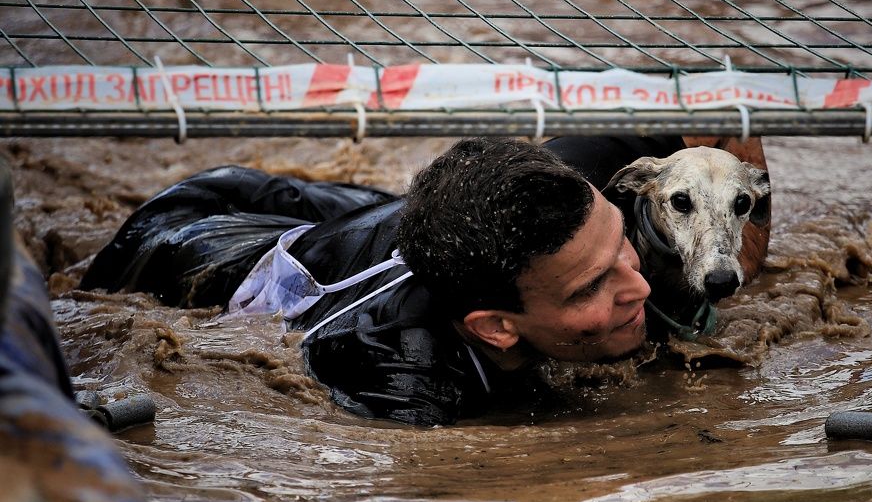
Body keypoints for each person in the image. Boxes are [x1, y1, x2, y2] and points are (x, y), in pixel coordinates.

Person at [81, 135, 700, 426]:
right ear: (497, 329)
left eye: (620, 244)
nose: (638, 286)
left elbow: (717, 120)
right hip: (190, 236)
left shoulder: (583, 178)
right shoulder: (400, 366)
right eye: (590, 288)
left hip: (361, 222)